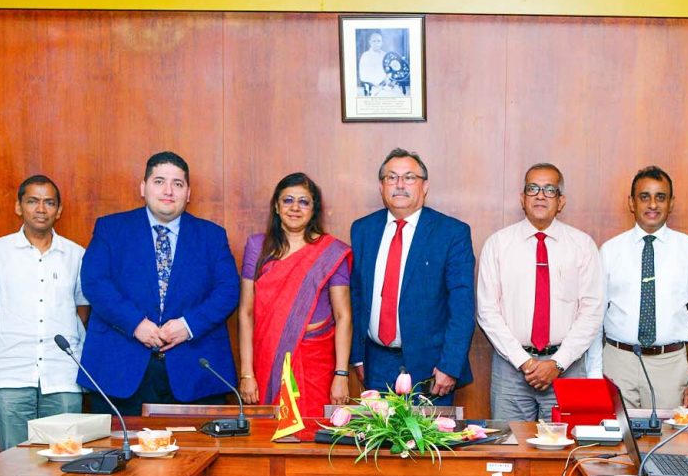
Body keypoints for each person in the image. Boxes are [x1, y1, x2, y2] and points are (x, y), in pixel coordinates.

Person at [80, 151, 239, 416]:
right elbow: (94, 282)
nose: (168, 191)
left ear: (188, 193)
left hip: (194, 371)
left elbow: (228, 291)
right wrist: (135, 324)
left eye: (178, 184)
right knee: (119, 444)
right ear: (143, 188)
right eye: (159, 181)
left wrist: (188, 326)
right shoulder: (111, 229)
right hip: (120, 369)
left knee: (194, 444)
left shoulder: (212, 236)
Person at [476, 164, 604, 421]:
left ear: (561, 201)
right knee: (510, 443)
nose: (540, 195)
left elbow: (592, 312)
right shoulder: (498, 244)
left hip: (566, 368)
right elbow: (487, 311)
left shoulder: (582, 245)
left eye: (549, 190)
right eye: (533, 188)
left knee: (568, 444)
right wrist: (524, 362)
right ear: (522, 198)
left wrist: (557, 363)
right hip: (511, 369)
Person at [349, 148, 476, 403]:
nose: (399, 185)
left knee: (429, 431)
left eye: (409, 177)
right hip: (376, 363)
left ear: (424, 186)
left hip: (432, 368)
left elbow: (462, 308)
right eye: (391, 177)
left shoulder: (451, 233)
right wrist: (358, 356)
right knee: (378, 430)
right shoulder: (363, 229)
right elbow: (357, 296)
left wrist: (450, 365)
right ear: (381, 186)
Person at [586, 166, 688, 411]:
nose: (652, 204)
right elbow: (595, 318)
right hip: (617, 363)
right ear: (631, 203)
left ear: (671, 203)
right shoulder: (610, 251)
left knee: (669, 435)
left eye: (660, 197)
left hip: (669, 365)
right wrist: (593, 375)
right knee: (615, 435)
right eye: (644, 197)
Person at [0, 175, 91, 451]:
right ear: (19, 206)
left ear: (58, 210)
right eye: (32, 201)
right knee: (13, 463)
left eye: (49, 202)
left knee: (64, 459)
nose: (41, 209)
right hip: (10, 372)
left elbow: (82, 310)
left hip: (62, 374)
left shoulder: (76, 255)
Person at [237, 173, 353, 420]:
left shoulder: (331, 252)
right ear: (276, 206)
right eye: (288, 200)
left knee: (315, 431)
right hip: (270, 356)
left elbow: (343, 316)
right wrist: (247, 373)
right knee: (273, 431)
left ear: (314, 209)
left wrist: (341, 374)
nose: (295, 208)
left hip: (316, 360)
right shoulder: (258, 247)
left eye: (304, 201)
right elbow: (246, 313)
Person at [357, 32, 386, 96]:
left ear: (382, 43)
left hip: (384, 85)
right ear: (370, 42)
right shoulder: (365, 55)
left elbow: (388, 71)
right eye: (374, 41)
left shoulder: (385, 55)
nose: (376, 43)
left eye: (379, 41)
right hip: (371, 85)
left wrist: (384, 81)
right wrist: (374, 83)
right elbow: (363, 74)